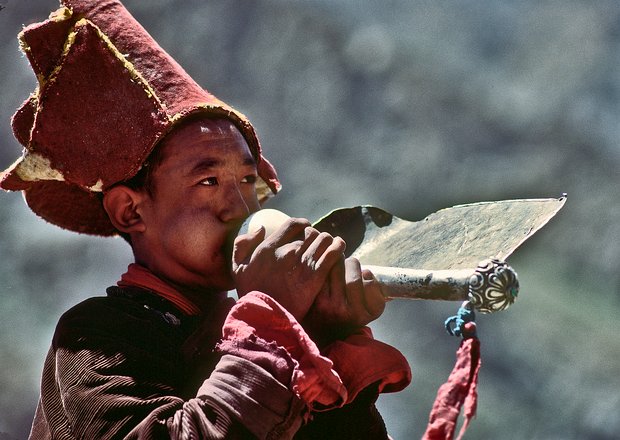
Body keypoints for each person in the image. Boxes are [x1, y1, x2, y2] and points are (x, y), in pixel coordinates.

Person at [1, 1, 411, 438]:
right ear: (131, 210)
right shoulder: (97, 336)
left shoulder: (250, 329)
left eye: (249, 181)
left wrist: (322, 336)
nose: (241, 207)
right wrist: (272, 325)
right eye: (209, 181)